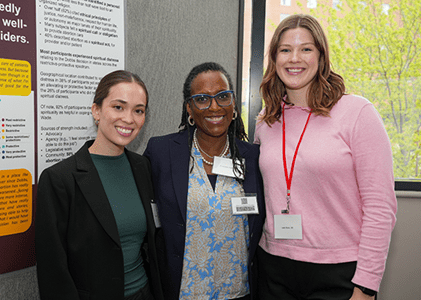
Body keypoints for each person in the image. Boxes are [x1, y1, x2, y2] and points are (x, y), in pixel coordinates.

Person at [254, 14, 397, 300]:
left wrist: (366, 287)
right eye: (285, 49)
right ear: (274, 58)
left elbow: (380, 208)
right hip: (273, 269)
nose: (295, 58)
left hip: (339, 273)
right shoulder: (265, 121)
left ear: (321, 56)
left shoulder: (357, 113)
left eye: (306, 49)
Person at [36, 70, 164, 300]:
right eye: (118, 107)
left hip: (144, 293)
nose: (128, 118)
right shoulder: (60, 179)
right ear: (96, 111)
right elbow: (53, 270)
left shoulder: (142, 167)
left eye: (138, 110)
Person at [143, 62, 265, 300]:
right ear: (189, 107)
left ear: (233, 103)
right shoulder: (162, 152)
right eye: (202, 99)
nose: (214, 107)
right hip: (183, 291)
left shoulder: (253, 157)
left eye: (223, 96)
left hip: (238, 292)